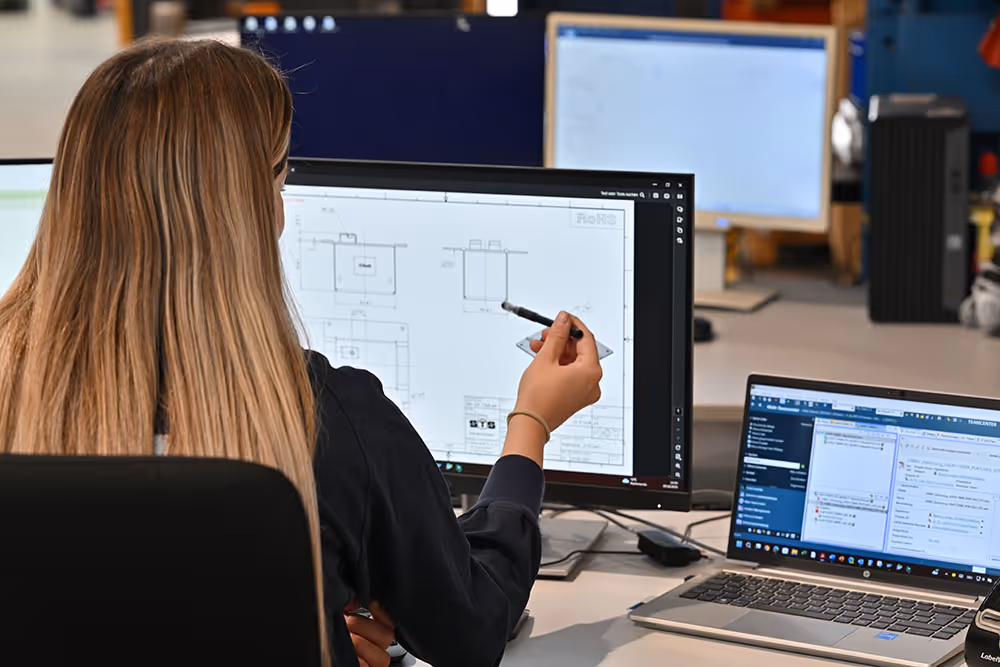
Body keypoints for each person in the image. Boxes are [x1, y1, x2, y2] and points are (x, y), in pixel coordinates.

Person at [0, 38, 604, 667]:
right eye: (281, 170)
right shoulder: (329, 419)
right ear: (250, 206)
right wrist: (530, 425)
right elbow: (472, 627)